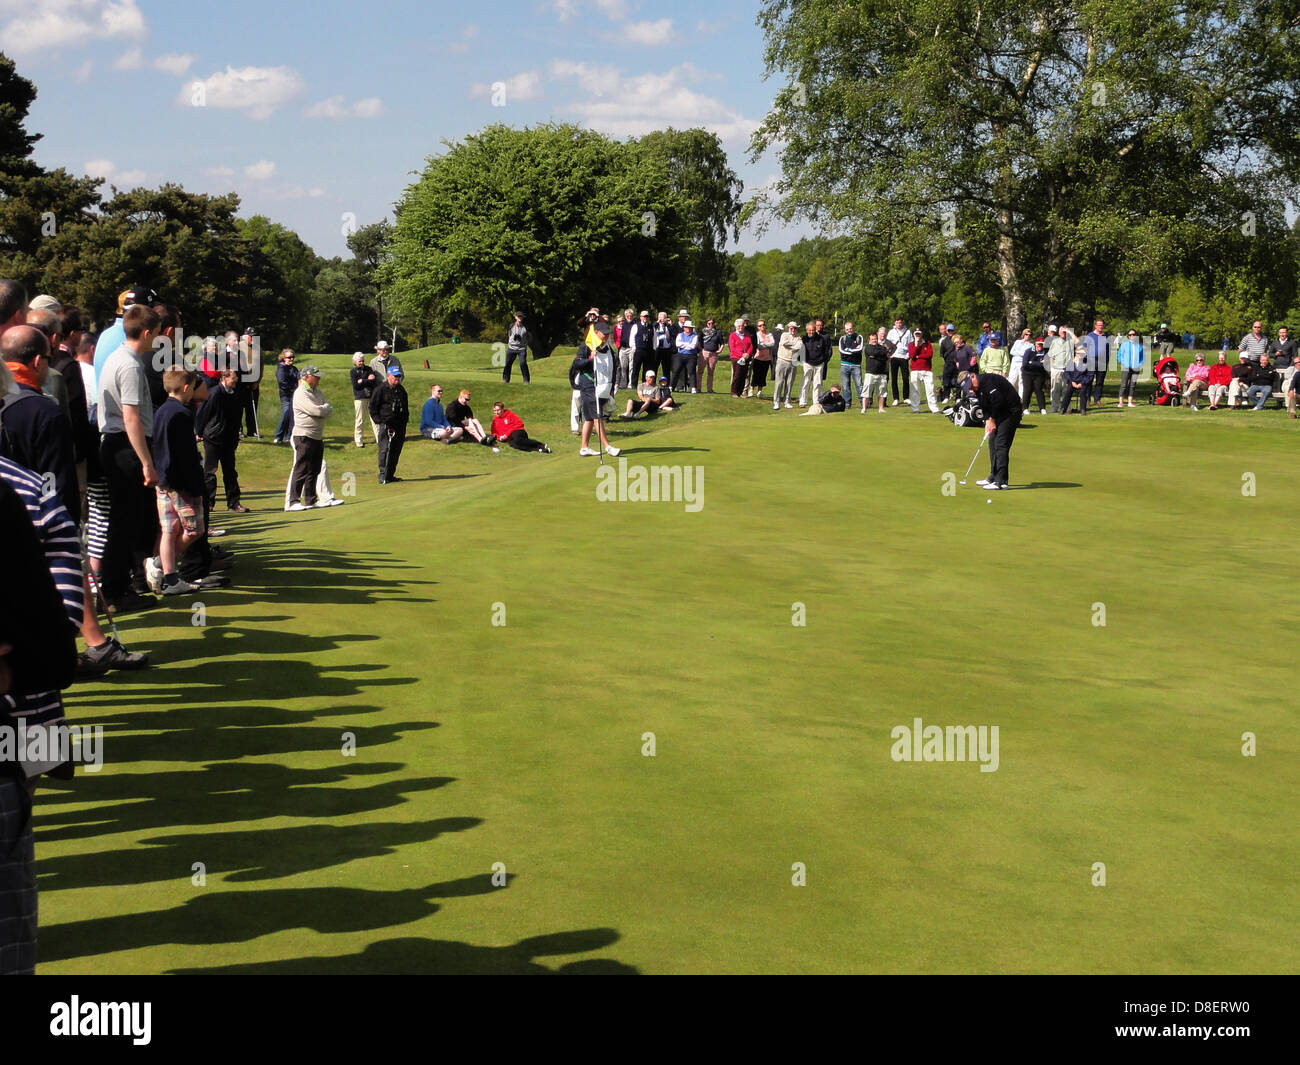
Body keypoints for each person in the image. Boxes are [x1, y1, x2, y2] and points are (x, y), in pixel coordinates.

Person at [97, 304, 164, 613]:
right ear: (147, 333)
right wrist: (147, 462)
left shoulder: (117, 358)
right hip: (125, 446)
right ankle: (114, 591)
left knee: (126, 521)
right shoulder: (131, 365)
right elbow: (131, 418)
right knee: (124, 523)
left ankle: (118, 587)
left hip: (118, 444)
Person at [0, 326, 78, 520]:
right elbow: (56, 484)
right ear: (37, 362)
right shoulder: (46, 413)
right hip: (33, 529)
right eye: (49, 359)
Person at [149, 369, 205, 593]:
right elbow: (184, 456)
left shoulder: (162, 410)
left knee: (169, 528)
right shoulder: (181, 413)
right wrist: (193, 485)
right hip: (179, 482)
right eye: (192, 387)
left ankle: (171, 579)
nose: (193, 391)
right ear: (185, 388)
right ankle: (159, 565)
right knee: (194, 530)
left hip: (163, 479)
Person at [284, 364, 339, 508]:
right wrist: (322, 409)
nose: (319, 379)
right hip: (303, 435)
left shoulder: (317, 392)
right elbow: (316, 410)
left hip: (316, 436)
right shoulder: (301, 393)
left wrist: (323, 409)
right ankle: (294, 501)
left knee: (314, 469)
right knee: (301, 468)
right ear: (307, 377)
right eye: (316, 377)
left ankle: (311, 500)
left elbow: (329, 408)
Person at [194, 367, 248, 514]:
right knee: (210, 471)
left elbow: (237, 416)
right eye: (233, 378)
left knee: (230, 471)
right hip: (213, 437)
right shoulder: (215, 393)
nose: (235, 380)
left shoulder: (236, 393)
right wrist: (198, 431)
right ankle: (209, 502)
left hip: (229, 438)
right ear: (224, 379)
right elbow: (203, 413)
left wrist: (237, 435)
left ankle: (234, 502)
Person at [570, 327, 621, 457]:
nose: (606, 336)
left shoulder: (608, 349)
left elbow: (613, 367)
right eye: (604, 334)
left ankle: (584, 448)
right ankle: (608, 447)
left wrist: (611, 388)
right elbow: (576, 364)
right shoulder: (586, 346)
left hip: (602, 387)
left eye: (607, 334)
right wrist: (590, 359)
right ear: (596, 333)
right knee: (597, 416)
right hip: (588, 385)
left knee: (589, 418)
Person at [968, 370, 1022, 490]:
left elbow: (999, 400)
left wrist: (992, 418)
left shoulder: (987, 381)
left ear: (973, 376)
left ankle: (1001, 481)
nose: (970, 388)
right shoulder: (978, 389)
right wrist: (987, 420)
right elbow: (984, 405)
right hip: (1001, 413)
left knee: (1001, 444)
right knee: (992, 442)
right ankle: (994, 476)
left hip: (1011, 412)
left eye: (970, 384)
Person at [370, 365, 410, 483]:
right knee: (384, 449)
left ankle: (390, 475)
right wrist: (380, 421)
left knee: (396, 451)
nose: (397, 378)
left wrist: (405, 421)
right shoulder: (380, 389)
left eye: (399, 376)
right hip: (386, 425)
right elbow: (372, 407)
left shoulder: (401, 390)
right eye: (395, 376)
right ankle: (383, 475)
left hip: (400, 426)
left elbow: (406, 407)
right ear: (388, 376)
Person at [350, 352, 379, 447]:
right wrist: (367, 380)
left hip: (370, 396)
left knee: (374, 418)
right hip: (359, 398)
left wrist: (362, 381)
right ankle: (358, 441)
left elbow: (373, 381)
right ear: (355, 362)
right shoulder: (353, 372)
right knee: (360, 420)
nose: (361, 363)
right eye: (359, 361)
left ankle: (379, 439)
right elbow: (356, 386)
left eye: (362, 361)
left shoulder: (369, 369)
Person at [907, 328, 939, 413]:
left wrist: (918, 356)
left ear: (922, 334)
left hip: (927, 370)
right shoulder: (911, 344)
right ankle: (915, 409)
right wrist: (916, 345)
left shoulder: (927, 344)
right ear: (914, 335)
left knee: (930, 390)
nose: (918, 335)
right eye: (916, 334)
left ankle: (934, 408)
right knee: (915, 390)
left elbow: (929, 355)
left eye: (919, 334)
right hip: (915, 370)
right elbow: (912, 355)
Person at [799, 320, 830, 406]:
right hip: (807, 363)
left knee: (818, 383)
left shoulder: (821, 339)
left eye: (813, 330)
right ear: (807, 330)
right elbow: (800, 351)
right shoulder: (804, 339)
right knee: (805, 382)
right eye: (810, 330)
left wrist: (823, 360)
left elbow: (826, 351)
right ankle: (802, 401)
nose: (811, 332)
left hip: (819, 364)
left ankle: (816, 402)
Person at [273, 348, 299, 443]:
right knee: (286, 413)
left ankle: (288, 436)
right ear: (283, 358)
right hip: (286, 395)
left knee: (292, 415)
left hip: (294, 395)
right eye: (289, 357)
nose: (291, 359)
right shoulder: (281, 368)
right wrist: (293, 388)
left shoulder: (294, 369)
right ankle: (278, 436)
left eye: (293, 357)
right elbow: (282, 382)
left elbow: (299, 379)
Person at [773, 321, 802, 409]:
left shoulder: (799, 337)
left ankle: (787, 401)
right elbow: (783, 343)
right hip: (782, 360)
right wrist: (793, 344)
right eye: (791, 328)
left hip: (793, 362)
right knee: (779, 382)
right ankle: (776, 402)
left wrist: (792, 345)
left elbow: (799, 347)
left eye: (795, 328)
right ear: (788, 328)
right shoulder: (784, 335)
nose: (793, 330)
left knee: (789, 383)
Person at [860, 329, 889, 413]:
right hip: (870, 373)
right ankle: (864, 408)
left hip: (882, 373)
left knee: (882, 392)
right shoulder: (867, 347)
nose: (874, 340)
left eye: (875, 339)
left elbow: (885, 356)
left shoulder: (882, 347)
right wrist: (880, 354)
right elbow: (873, 352)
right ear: (869, 340)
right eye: (872, 339)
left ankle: (881, 408)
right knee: (866, 391)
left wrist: (876, 356)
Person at [886, 317, 912, 405]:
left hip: (904, 356)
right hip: (894, 356)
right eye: (897, 323)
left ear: (902, 323)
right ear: (895, 323)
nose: (899, 324)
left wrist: (908, 355)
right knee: (894, 378)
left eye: (900, 323)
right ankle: (896, 398)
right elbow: (888, 344)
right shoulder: (891, 332)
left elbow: (910, 344)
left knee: (905, 378)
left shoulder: (908, 332)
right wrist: (890, 355)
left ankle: (906, 397)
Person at [1083, 318, 1110, 405]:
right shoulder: (1090, 335)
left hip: (1102, 362)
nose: (1100, 327)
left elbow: (1108, 349)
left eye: (1101, 325)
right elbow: (1085, 347)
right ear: (1095, 326)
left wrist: (1107, 360)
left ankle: (1097, 399)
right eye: (1098, 325)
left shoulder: (1106, 336)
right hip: (1091, 361)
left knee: (1100, 382)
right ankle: (1087, 399)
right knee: (1089, 380)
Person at [837, 321, 864, 408]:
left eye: (851, 329)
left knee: (859, 385)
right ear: (845, 330)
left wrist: (848, 349)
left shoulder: (859, 337)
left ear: (854, 328)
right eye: (847, 329)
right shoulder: (842, 338)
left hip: (856, 365)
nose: (849, 331)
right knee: (845, 386)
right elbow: (841, 350)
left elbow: (859, 350)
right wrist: (852, 349)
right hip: (844, 365)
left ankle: (863, 403)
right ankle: (847, 404)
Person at [1061, 345, 1093, 414]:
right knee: (1068, 392)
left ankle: (1082, 409)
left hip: (1082, 382)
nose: (1081, 355)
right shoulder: (1071, 361)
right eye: (1079, 353)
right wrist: (1072, 381)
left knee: (1083, 392)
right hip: (1072, 381)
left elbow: (1090, 375)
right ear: (1076, 353)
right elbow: (1066, 373)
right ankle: (1063, 409)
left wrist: (1082, 383)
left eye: (1083, 353)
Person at [1020, 336, 1049, 414]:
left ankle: (1042, 408)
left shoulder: (1045, 352)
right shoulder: (1028, 351)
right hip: (1027, 373)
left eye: (1042, 344)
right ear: (1035, 344)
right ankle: (1025, 408)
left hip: (1039, 374)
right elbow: (1025, 364)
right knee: (1028, 389)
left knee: (1038, 389)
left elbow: (1046, 365)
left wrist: (1032, 362)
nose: (1040, 346)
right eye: (1039, 344)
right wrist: (1039, 363)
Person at [1116, 329, 1144, 407]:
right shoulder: (1124, 345)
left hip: (1136, 368)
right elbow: (1119, 355)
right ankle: (1121, 402)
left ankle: (1130, 402)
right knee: (1124, 384)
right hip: (1126, 367)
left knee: (1133, 385)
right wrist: (1122, 362)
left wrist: (1140, 364)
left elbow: (1142, 357)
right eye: (1130, 335)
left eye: (1133, 334)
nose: (1132, 336)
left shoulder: (1139, 346)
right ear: (1128, 336)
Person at [673, 320, 700, 394]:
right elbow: (677, 344)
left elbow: (693, 346)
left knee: (691, 371)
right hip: (680, 355)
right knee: (676, 370)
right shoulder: (680, 335)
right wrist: (687, 343)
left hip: (691, 356)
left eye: (690, 327)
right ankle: (671, 386)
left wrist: (683, 345)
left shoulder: (695, 336)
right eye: (687, 327)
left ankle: (693, 388)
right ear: (684, 328)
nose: (688, 329)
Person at [728, 318, 753, 398]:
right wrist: (741, 355)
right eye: (739, 326)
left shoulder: (747, 335)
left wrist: (747, 354)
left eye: (742, 326)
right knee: (737, 374)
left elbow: (751, 346)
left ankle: (740, 392)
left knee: (744, 375)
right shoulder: (732, 335)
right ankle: (734, 391)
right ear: (736, 327)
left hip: (745, 358)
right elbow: (732, 348)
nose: (740, 328)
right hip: (736, 357)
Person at [630, 310, 655, 392]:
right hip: (639, 350)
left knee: (646, 369)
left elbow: (654, 339)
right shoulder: (636, 326)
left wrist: (654, 348)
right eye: (644, 316)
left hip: (648, 351)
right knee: (636, 368)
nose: (645, 318)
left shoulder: (651, 327)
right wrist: (634, 347)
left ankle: (645, 385)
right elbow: (632, 337)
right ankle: (634, 385)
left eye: (647, 316)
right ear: (640, 317)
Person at [751, 319, 775, 399]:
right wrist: (766, 345)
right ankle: (751, 389)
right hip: (758, 357)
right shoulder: (757, 335)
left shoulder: (769, 334)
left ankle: (760, 391)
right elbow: (757, 345)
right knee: (756, 374)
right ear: (757, 327)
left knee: (763, 375)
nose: (762, 327)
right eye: (760, 325)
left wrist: (763, 344)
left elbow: (772, 343)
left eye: (763, 325)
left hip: (767, 358)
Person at [504, 312, 531, 384]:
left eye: (521, 316)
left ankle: (526, 380)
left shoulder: (525, 327)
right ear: (515, 317)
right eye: (518, 316)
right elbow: (509, 335)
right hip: (511, 348)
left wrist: (524, 343)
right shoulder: (511, 326)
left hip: (521, 349)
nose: (520, 317)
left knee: (523, 363)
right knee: (507, 364)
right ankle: (505, 380)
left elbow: (529, 337)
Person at [1008, 327, 1033, 399]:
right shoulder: (1017, 342)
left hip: (1022, 364)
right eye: (1026, 334)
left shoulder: (1031, 345)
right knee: (1011, 380)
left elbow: (1028, 355)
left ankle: (1021, 399)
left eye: (1029, 335)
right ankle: (1009, 397)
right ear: (1023, 335)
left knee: (1021, 381)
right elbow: (1012, 352)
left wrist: (1020, 354)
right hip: (1015, 363)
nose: (1028, 336)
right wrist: (1023, 354)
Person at [938, 324, 958, 403]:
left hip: (957, 363)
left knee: (958, 380)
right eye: (949, 331)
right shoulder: (944, 341)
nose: (950, 332)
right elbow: (942, 353)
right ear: (947, 331)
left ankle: (958, 397)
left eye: (951, 330)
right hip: (948, 363)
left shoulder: (958, 339)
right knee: (946, 380)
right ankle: (946, 396)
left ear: (954, 331)